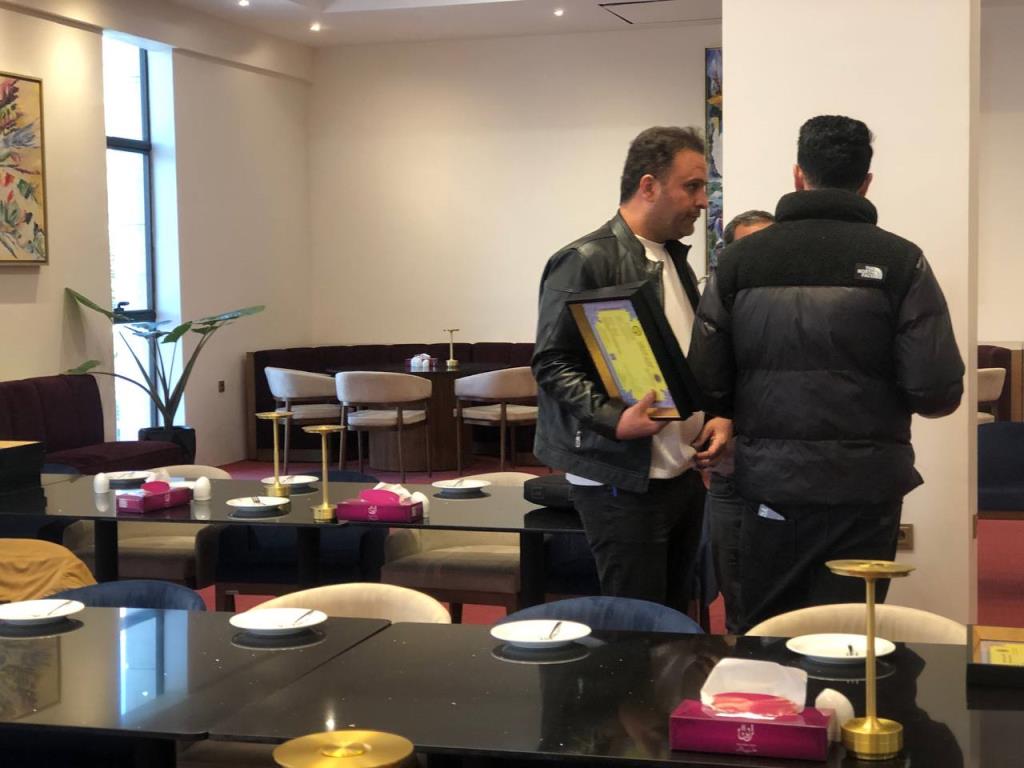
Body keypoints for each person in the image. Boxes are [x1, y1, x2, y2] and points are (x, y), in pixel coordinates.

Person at [689, 115, 964, 631]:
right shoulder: (901, 261)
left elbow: (705, 380)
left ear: (798, 175)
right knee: (851, 630)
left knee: (771, 631)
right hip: (866, 489)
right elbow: (936, 392)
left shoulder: (740, 262)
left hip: (770, 486)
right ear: (866, 182)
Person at [532, 126, 731, 613]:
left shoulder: (673, 259)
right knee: (636, 626)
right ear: (648, 186)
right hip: (619, 478)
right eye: (692, 186)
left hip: (680, 470)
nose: (702, 201)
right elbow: (552, 362)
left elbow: (684, 360)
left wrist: (716, 416)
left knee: (674, 618)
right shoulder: (585, 260)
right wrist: (613, 419)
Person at [704, 208, 775, 634]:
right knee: (739, 603)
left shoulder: (799, 307)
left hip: (787, 478)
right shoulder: (713, 310)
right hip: (731, 476)